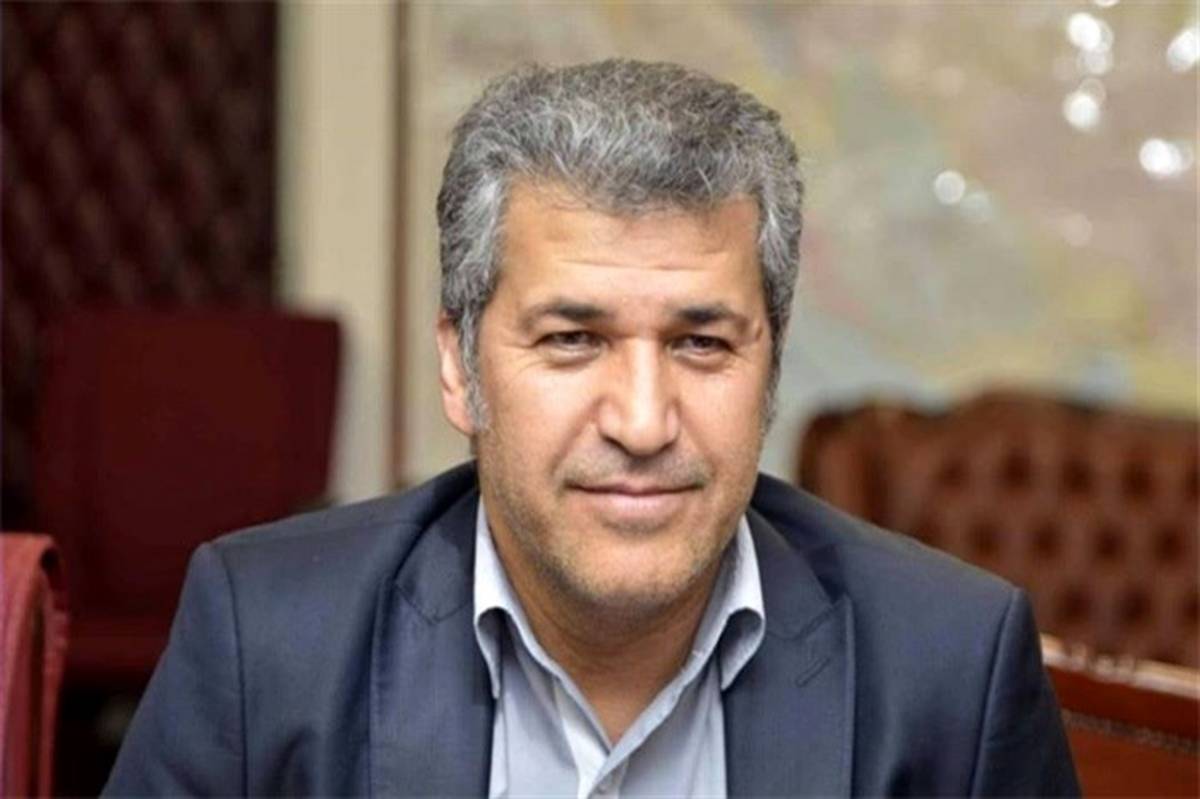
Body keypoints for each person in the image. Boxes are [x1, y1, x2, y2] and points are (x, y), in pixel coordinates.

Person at [105, 59, 1078, 797]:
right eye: (573, 339)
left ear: (770, 367)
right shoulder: (268, 642)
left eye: (702, 343)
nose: (643, 422)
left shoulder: (951, 669)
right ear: (460, 368)